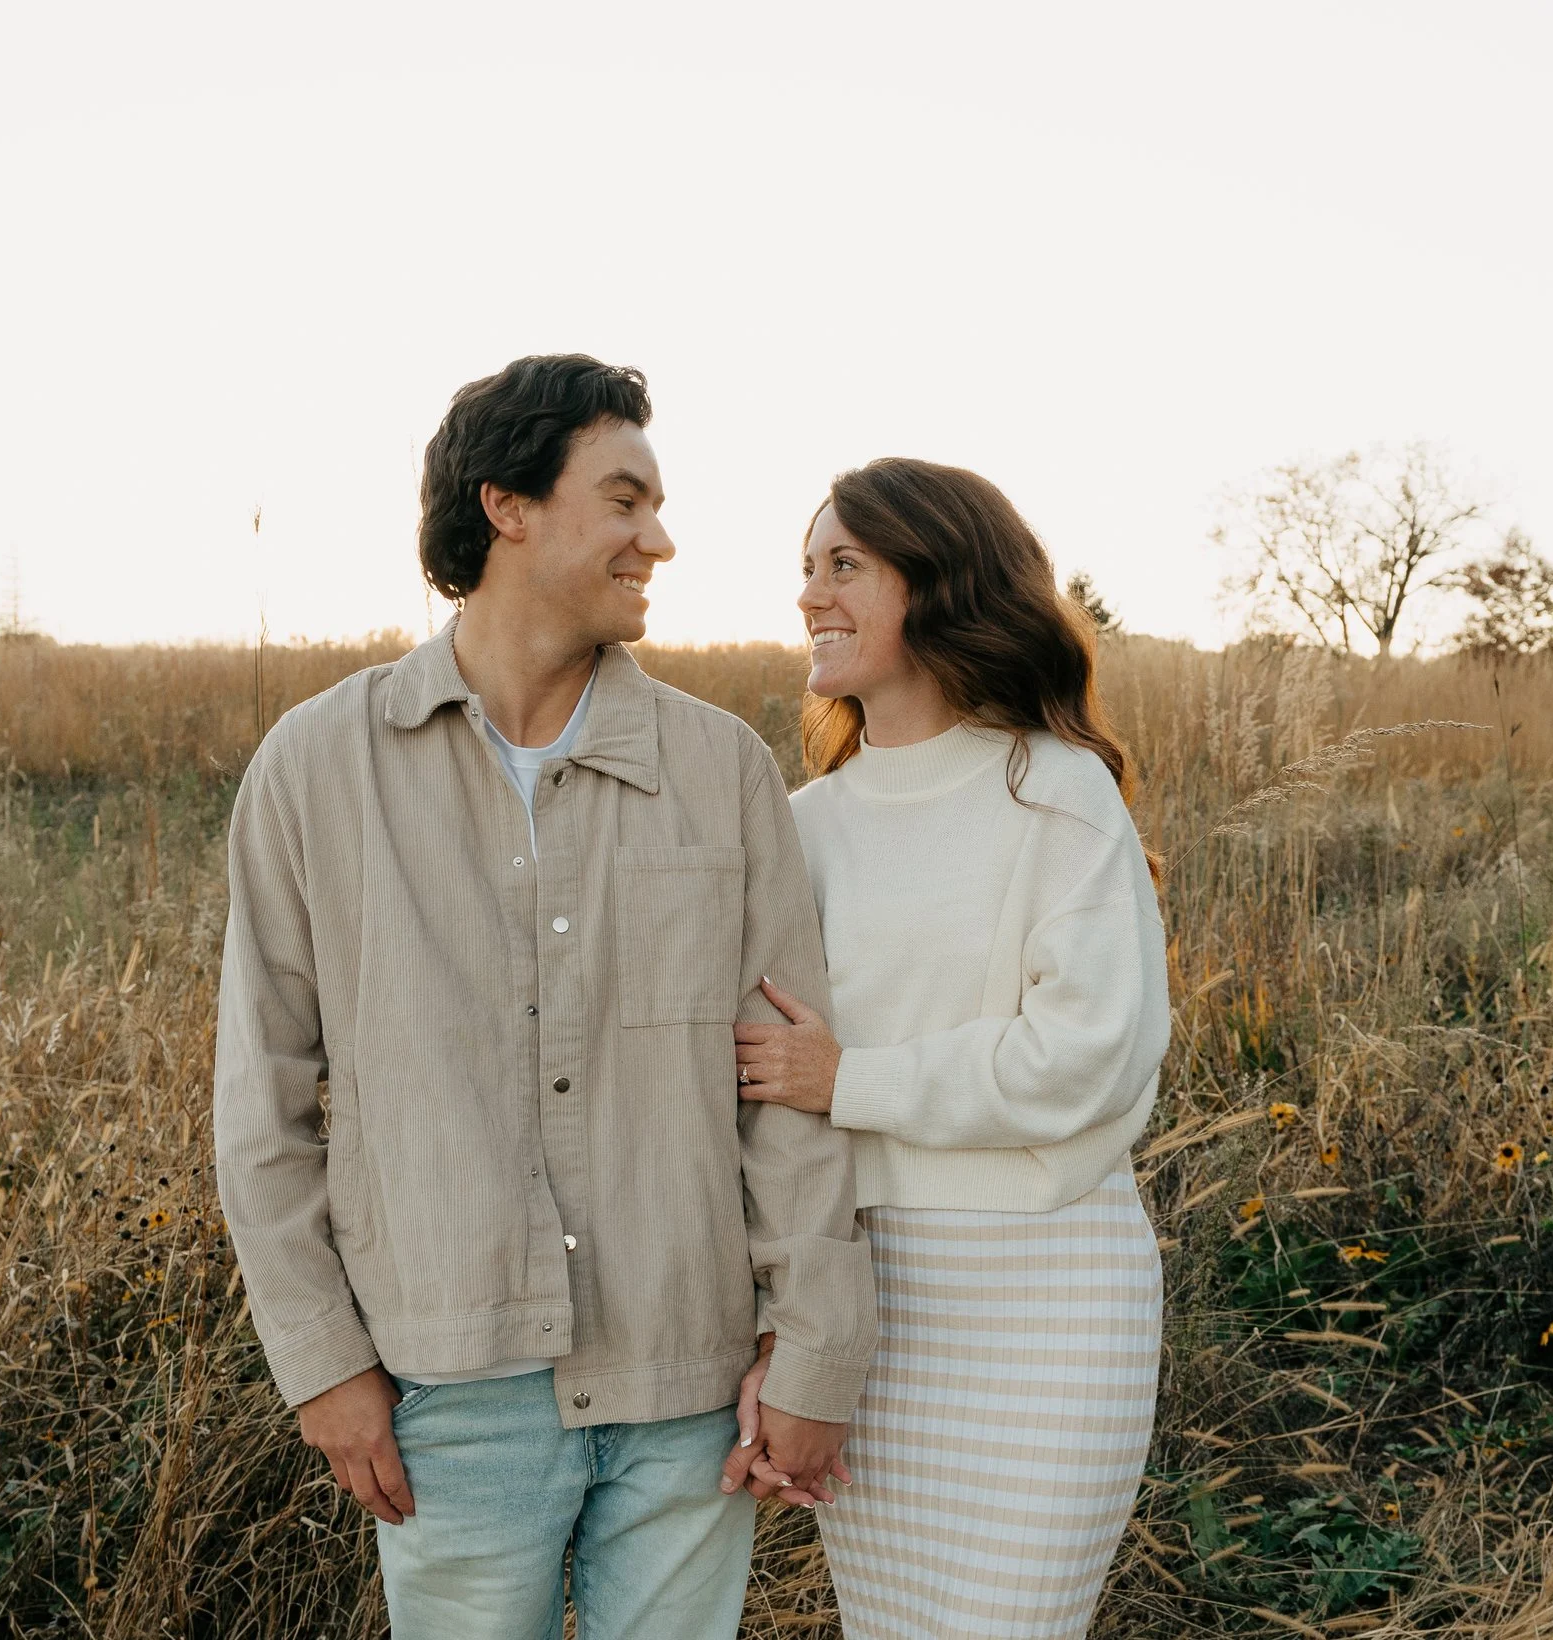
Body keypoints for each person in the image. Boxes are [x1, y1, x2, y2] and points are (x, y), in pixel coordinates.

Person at [213, 355, 876, 1639]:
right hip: (447, 1389)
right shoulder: (314, 767)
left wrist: (814, 1347)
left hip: (688, 1383)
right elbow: (263, 1100)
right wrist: (324, 1361)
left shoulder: (720, 769)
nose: (660, 538)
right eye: (624, 499)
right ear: (506, 502)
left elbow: (789, 1087)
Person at [731, 457, 1171, 1639]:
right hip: (863, 1301)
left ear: (940, 582)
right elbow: (758, 1096)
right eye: (806, 568)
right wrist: (782, 1325)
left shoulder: (1059, 793)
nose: (810, 595)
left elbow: (1086, 1055)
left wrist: (853, 1079)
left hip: (1048, 1296)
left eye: (844, 566)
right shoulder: (801, 824)